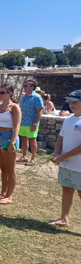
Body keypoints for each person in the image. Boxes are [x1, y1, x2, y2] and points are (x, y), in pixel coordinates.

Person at [49, 89, 81, 227]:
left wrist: (63, 156)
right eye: (70, 102)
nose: (71, 104)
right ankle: (64, 218)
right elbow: (60, 138)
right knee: (67, 189)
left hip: (79, 165)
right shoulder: (68, 119)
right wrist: (56, 153)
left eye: (75, 102)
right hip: (66, 163)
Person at [17, 79, 44, 165]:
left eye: (26, 86)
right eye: (24, 86)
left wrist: (35, 123)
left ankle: (33, 158)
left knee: (32, 140)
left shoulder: (37, 97)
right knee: (24, 139)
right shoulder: (24, 97)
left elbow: (40, 110)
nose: (24, 87)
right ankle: (24, 156)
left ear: (32, 87)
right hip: (23, 122)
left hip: (32, 123)